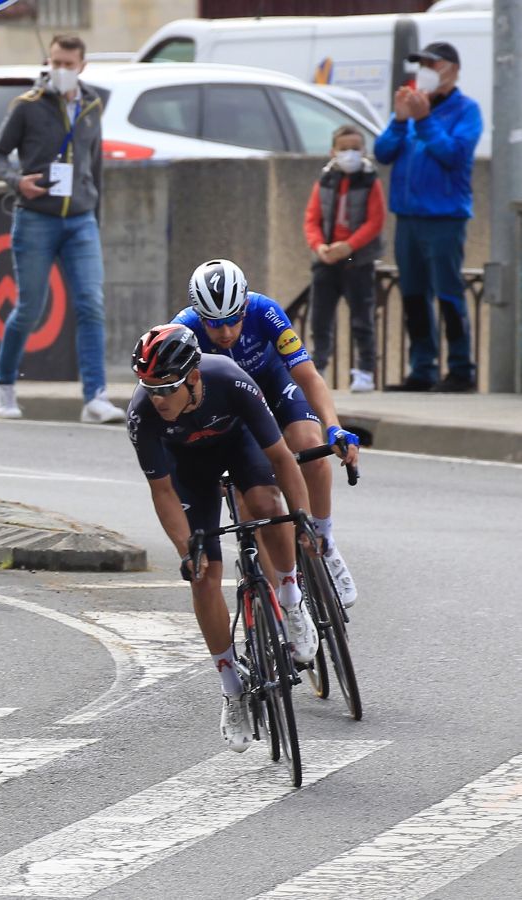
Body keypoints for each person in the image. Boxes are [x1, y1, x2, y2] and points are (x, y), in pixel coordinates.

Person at [127, 323, 317, 752]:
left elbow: (282, 458)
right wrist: (186, 548)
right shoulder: (142, 414)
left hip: (239, 446)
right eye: (148, 388)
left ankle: (290, 598)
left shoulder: (230, 379)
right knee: (203, 573)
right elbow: (162, 492)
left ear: (193, 377)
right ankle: (232, 688)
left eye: (166, 388)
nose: (157, 399)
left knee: (268, 505)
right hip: (189, 470)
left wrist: (301, 513)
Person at [174, 258, 362, 608]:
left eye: (233, 319)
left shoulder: (266, 311)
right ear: (199, 316)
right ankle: (282, 606)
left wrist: (334, 425)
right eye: (215, 324)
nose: (226, 332)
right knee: (253, 500)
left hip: (274, 385)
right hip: (231, 407)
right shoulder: (183, 331)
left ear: (245, 306)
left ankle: (323, 538)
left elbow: (308, 376)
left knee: (310, 444)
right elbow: (179, 404)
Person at [0, 35, 124, 425]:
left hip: (80, 218)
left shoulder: (93, 104)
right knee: (29, 307)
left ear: (83, 65)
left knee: (91, 303)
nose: (61, 70)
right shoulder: (27, 106)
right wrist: (18, 181)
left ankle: (95, 396)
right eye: (55, 62)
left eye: (68, 63)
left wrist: (95, 211)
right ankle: (4, 384)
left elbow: (94, 163)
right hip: (36, 217)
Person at [373, 41, 483, 393]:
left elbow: (454, 155)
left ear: (451, 68)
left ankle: (461, 369)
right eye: (421, 64)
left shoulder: (466, 110)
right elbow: (383, 152)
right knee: (413, 294)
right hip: (408, 217)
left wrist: (422, 121)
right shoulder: (412, 104)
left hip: (444, 218)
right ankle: (422, 368)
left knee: (448, 292)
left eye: (432, 65)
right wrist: (401, 120)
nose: (425, 71)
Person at [303, 124, 385, 393]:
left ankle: (364, 371)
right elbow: (312, 219)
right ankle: (319, 368)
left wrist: (349, 246)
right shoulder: (325, 180)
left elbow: (375, 221)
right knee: (320, 319)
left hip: (355, 258)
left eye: (355, 148)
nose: (350, 154)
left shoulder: (370, 181)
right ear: (333, 152)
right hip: (327, 257)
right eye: (344, 148)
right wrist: (319, 246)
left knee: (362, 318)